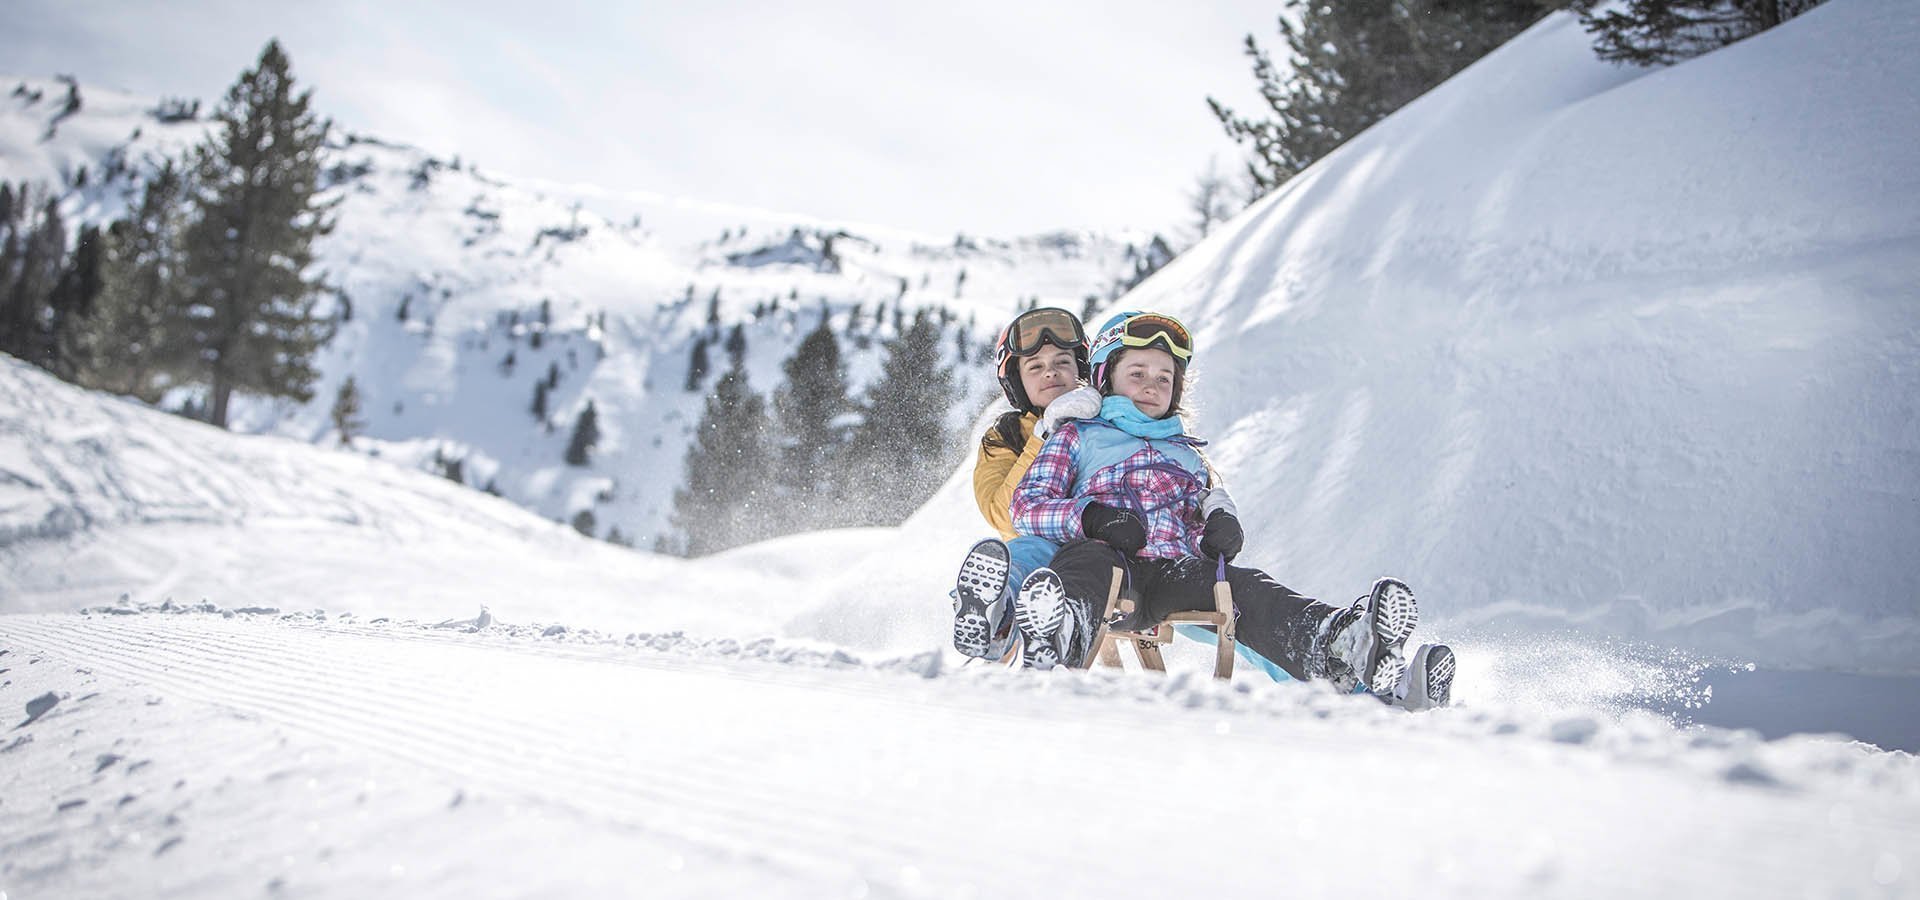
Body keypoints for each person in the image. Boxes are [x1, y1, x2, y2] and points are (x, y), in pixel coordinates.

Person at [1006, 310, 1454, 709]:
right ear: (1106, 378)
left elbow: (1204, 508)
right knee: (1087, 561)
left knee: (1243, 587)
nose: (1151, 385)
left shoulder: (1186, 455)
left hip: (1170, 573)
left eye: (1165, 378)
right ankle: (1058, 635)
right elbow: (1027, 506)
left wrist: (1219, 524)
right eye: (1137, 372)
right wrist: (1091, 518)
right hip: (1107, 568)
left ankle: (1344, 644)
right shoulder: (1078, 435)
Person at [950, 307, 1101, 660]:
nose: (1051, 371)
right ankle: (993, 616)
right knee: (1025, 552)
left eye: (1063, 361)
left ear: (1081, 369)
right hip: (1038, 550)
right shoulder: (1004, 438)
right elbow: (1003, 515)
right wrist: (1043, 434)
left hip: (1101, 549)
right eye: (1035, 366)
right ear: (1017, 381)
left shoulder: (1109, 421)